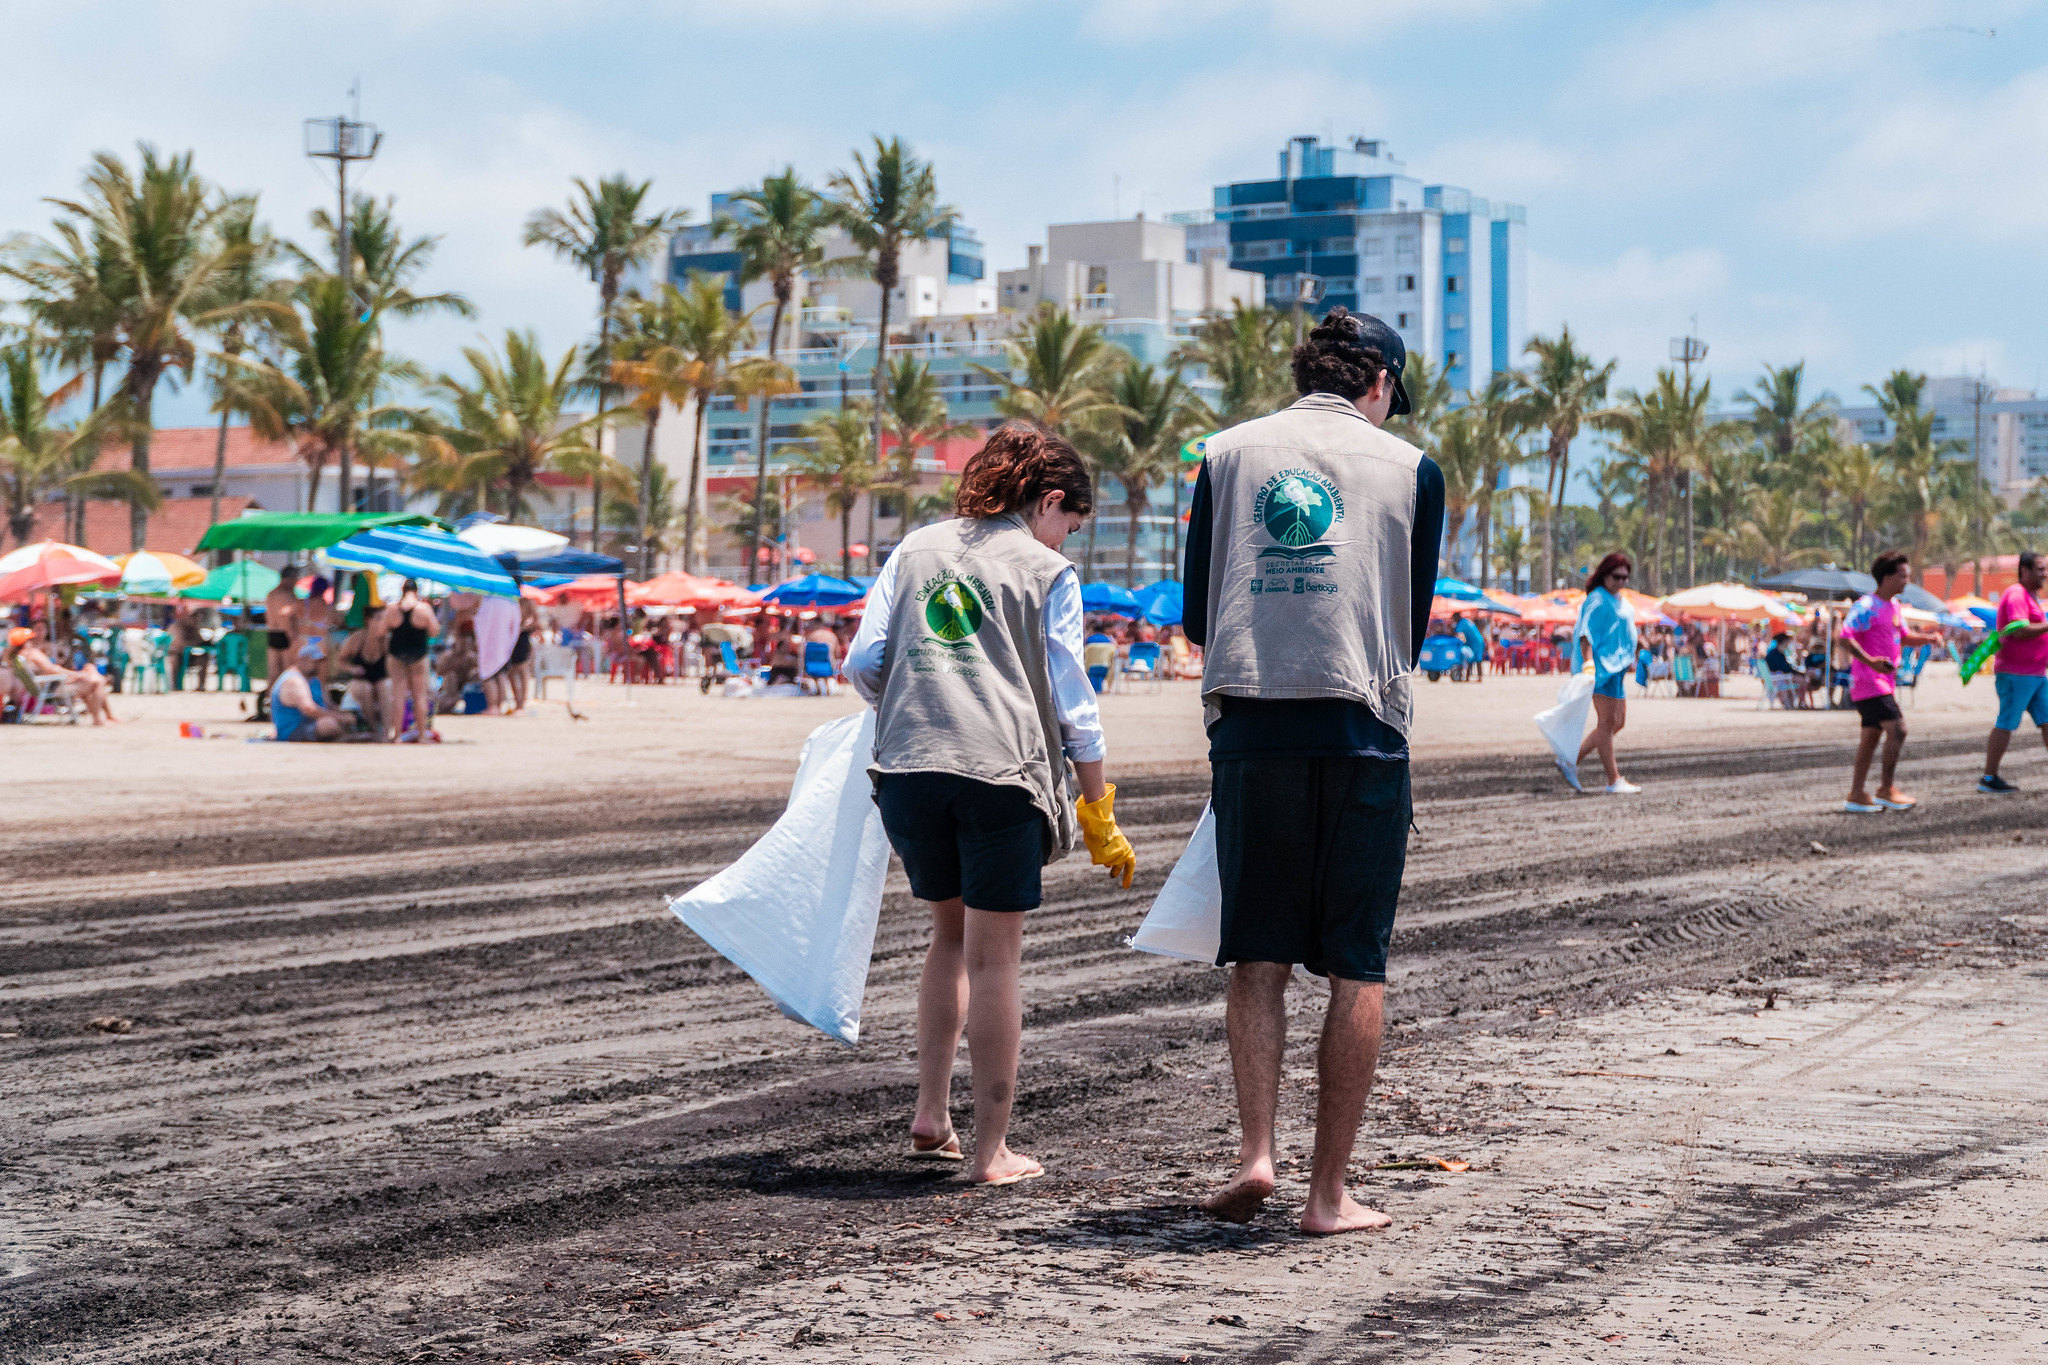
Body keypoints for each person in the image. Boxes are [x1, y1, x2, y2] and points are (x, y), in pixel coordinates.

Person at [1181, 306, 1444, 1234]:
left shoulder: (1224, 454)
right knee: (1356, 967)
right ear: (1378, 384)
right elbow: (1407, 625)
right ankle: (1328, 1194)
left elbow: (1194, 617)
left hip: (1253, 727)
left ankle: (1257, 1152)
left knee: (1257, 954)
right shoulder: (1413, 469)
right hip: (1363, 729)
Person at [844, 423, 1137, 1188]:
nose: (1065, 539)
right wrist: (1097, 806)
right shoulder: (1048, 572)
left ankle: (931, 1114)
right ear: (1048, 501)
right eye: (1068, 524)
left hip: (907, 767)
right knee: (996, 956)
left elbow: (864, 661)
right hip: (998, 773)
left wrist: (927, 698)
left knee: (947, 938)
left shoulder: (915, 547)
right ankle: (989, 1151)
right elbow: (1075, 706)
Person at [1841, 551, 1944, 813]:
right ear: (1886, 577)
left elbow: (1904, 637)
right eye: (1902, 576)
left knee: (1871, 736)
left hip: (1883, 680)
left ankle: (1856, 794)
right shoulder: (1866, 606)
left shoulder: (1894, 606)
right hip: (1869, 680)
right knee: (1898, 729)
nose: (1906, 581)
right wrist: (1870, 661)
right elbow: (1844, 637)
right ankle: (1886, 789)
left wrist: (1929, 639)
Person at [1565, 552, 1640, 794]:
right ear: (1605, 575)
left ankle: (1570, 761)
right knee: (1607, 723)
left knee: (1618, 722)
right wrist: (1588, 664)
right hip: (1601, 668)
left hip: (1617, 668)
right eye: (1616, 576)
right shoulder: (1597, 598)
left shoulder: (1618, 599)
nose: (1620, 582)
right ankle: (1613, 780)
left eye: (1625, 578)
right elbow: (1586, 633)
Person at [1979, 550, 2048, 794]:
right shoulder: (2016, 594)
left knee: (2047, 720)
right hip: (2016, 673)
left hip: (2036, 674)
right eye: (2040, 569)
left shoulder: (2031, 596)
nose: (2045, 573)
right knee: (2007, 722)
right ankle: (1988, 777)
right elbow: (2018, 631)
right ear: (2025, 571)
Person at [16, 622, 119, 725]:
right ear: (24, 642)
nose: (32, 640)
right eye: (29, 639)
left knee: (92, 675)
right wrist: (77, 675)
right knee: (97, 682)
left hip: (47, 685)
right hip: (51, 687)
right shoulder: (33, 653)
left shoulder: (21, 655)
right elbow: (53, 669)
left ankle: (106, 717)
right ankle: (100, 720)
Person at [383, 580, 439, 742]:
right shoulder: (424, 608)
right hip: (418, 654)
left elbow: (382, 630)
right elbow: (435, 631)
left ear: (402, 590)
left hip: (397, 653)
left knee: (398, 696)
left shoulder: (392, 608)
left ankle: (398, 736)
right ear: (417, 590)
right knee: (420, 696)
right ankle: (421, 735)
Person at [271, 640, 346, 742]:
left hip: (312, 725)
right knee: (330, 724)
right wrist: (341, 718)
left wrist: (345, 715)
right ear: (303, 660)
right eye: (314, 662)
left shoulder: (315, 682)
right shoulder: (294, 681)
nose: (318, 666)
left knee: (339, 721)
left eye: (319, 662)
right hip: (293, 730)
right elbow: (309, 709)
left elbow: (330, 705)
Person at [335, 614, 395, 741]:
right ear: (369, 620)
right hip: (360, 681)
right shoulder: (356, 639)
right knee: (365, 688)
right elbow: (339, 662)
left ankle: (386, 732)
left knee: (385, 686)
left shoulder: (387, 641)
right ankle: (374, 729)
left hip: (380, 680)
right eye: (379, 618)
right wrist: (352, 669)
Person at [262, 563, 303, 684]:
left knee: (273, 671)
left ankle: (270, 697)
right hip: (285, 633)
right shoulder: (286, 594)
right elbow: (284, 617)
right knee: (288, 670)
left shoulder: (271, 593)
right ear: (290, 578)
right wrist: (292, 636)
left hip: (272, 632)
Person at [1764, 631, 1811, 708]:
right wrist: (1800, 673)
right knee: (1803, 681)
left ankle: (1793, 702)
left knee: (1801, 680)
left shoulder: (1777, 653)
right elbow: (1784, 669)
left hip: (1779, 677)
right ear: (1784, 642)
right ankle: (1801, 702)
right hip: (1779, 678)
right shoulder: (1775, 654)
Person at [1452, 611, 1488, 680]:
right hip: (1477, 641)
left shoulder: (1461, 623)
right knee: (1475, 658)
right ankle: (1472, 676)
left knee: (1473, 658)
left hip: (1475, 642)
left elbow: (1457, 634)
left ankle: (1471, 676)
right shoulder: (1465, 621)